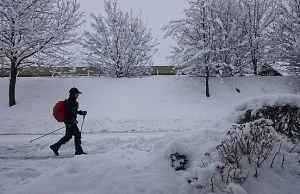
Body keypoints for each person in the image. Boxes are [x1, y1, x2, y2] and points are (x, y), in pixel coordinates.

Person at [50, 87, 87, 156]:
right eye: (77, 94)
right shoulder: (69, 102)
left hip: (70, 121)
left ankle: (55, 146)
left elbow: (73, 112)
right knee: (77, 134)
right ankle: (78, 151)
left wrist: (81, 112)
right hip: (70, 122)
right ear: (73, 94)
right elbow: (68, 113)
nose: (78, 95)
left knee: (68, 136)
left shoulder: (72, 101)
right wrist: (72, 121)